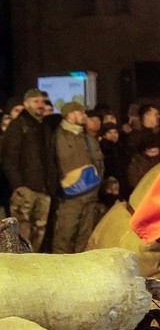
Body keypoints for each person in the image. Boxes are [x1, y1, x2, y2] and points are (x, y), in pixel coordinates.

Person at [1, 88, 57, 250]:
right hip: (26, 190)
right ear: (26, 104)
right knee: (22, 234)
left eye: (42, 101)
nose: (40, 105)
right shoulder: (19, 125)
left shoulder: (44, 127)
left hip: (43, 190)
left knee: (38, 235)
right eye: (35, 101)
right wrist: (18, 184)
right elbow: (10, 157)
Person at [52, 101, 105, 253]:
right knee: (65, 235)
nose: (84, 116)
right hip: (69, 197)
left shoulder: (88, 138)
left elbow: (99, 163)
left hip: (90, 195)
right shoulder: (57, 137)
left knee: (85, 237)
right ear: (70, 115)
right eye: (81, 112)